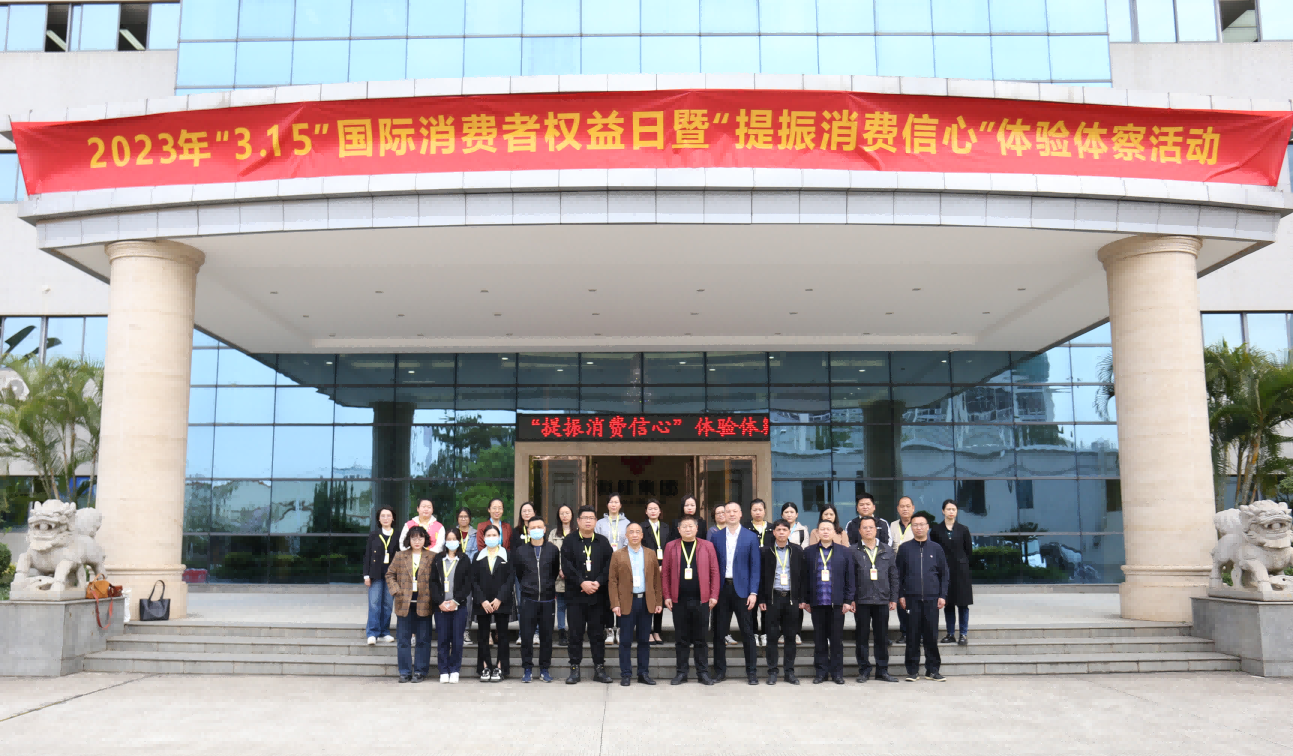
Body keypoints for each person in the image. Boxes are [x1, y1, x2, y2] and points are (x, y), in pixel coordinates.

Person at [709, 501, 762, 685]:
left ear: (740, 514)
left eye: (734, 511)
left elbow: (755, 567)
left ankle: (752, 672)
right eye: (727, 511)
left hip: (743, 591)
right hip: (722, 590)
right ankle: (719, 671)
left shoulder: (751, 537)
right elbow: (712, 567)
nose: (731, 514)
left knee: (747, 633)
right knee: (718, 633)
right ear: (723, 515)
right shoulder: (716, 537)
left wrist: (753, 592)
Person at [560, 505, 614, 684]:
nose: (588, 521)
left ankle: (599, 668)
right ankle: (574, 668)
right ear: (578, 521)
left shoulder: (603, 542)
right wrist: (581, 582)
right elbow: (566, 565)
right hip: (575, 596)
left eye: (591, 518)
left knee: (597, 635)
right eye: (585, 518)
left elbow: (609, 565)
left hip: (597, 597)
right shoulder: (569, 541)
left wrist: (598, 582)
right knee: (575, 634)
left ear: (596, 521)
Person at [800, 519, 856, 685]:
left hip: (836, 604)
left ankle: (837, 673)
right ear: (817, 532)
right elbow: (804, 578)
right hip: (817, 603)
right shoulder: (809, 552)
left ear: (834, 532)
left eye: (828, 529)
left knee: (836, 640)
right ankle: (821, 673)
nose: (825, 532)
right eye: (822, 529)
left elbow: (850, 578)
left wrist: (848, 600)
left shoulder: (844, 552)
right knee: (819, 640)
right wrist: (805, 600)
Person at [896, 513, 949, 682]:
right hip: (911, 599)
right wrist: (900, 595)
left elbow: (944, 574)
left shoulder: (936, 548)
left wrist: (942, 595)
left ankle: (932, 670)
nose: (918, 528)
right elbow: (898, 575)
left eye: (921, 524)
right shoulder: (904, 549)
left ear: (928, 527)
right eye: (915, 525)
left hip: (932, 598)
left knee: (931, 635)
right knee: (912, 635)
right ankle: (912, 671)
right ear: (911, 527)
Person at [609, 523, 663, 686]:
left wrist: (658, 601)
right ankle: (626, 674)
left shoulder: (650, 553)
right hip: (627, 602)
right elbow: (612, 581)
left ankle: (643, 673)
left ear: (642, 535)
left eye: (637, 532)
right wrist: (615, 603)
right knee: (625, 641)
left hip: (646, 601)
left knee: (644, 641)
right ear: (626, 535)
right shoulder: (618, 555)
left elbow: (656, 580)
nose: (634, 535)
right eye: (631, 532)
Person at [852, 515, 899, 683]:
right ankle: (864, 670)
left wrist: (894, 597)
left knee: (882, 637)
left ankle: (882, 670)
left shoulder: (887, 550)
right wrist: (850, 599)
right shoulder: (852, 551)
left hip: (882, 600)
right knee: (862, 637)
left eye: (871, 527)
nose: (868, 530)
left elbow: (894, 576)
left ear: (876, 530)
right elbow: (850, 578)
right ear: (859, 530)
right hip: (861, 601)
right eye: (864, 527)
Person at [757, 519, 805, 685]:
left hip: (792, 599)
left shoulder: (797, 551)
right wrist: (761, 598)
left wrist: (802, 599)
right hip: (772, 599)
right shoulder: (765, 551)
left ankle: (789, 672)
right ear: (774, 532)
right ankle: (772, 671)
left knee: (790, 637)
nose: (782, 532)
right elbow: (760, 577)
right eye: (778, 530)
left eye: (785, 530)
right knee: (771, 637)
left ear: (789, 532)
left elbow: (803, 577)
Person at [513, 515, 560, 683]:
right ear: (528, 530)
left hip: (547, 599)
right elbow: (519, 573)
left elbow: (554, 572)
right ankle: (527, 669)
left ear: (545, 529)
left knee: (547, 637)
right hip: (528, 600)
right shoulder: (521, 551)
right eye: (532, 528)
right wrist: (528, 587)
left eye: (539, 527)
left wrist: (547, 587)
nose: (536, 530)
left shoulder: (553, 550)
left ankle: (544, 669)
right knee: (526, 637)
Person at [385, 525, 434, 683]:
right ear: (409, 540)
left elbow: (437, 578)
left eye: (420, 538)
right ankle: (405, 672)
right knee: (403, 640)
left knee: (423, 640)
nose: (417, 541)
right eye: (414, 538)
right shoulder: (400, 556)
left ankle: (420, 671)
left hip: (424, 602)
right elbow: (390, 574)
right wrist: (396, 590)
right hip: (404, 602)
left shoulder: (432, 556)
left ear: (425, 539)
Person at [471, 524, 514, 682]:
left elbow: (510, 579)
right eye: (488, 535)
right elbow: (473, 581)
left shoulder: (507, 555)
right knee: (483, 636)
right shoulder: (477, 556)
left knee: (502, 635)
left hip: (501, 601)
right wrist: (482, 600)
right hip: (483, 602)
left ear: (499, 537)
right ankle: (485, 667)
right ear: (483, 538)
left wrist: (499, 598)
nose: (491, 538)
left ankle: (500, 667)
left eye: (494, 535)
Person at [929, 499, 974, 646]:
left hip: (961, 572)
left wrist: (962, 563)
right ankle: (950, 634)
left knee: (963, 604)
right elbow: (934, 551)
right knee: (948, 604)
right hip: (944, 572)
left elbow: (969, 551)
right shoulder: (936, 530)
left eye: (953, 509)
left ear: (957, 512)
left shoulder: (963, 529)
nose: (951, 512)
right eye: (948, 509)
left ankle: (963, 634)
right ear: (943, 511)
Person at [431, 528, 470, 683]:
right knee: (442, 639)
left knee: (457, 639)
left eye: (454, 539)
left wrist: (456, 601)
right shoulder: (438, 559)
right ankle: (443, 670)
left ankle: (454, 669)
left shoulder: (464, 559)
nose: (452, 542)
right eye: (449, 539)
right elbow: (433, 582)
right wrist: (439, 602)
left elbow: (467, 584)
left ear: (459, 541)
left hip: (458, 606)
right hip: (441, 607)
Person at [595, 494, 631, 645]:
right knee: (608, 597)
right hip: (604, 563)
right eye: (611, 502)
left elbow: (629, 542)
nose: (614, 504)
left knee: (622, 597)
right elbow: (596, 542)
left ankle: (621, 629)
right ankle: (609, 630)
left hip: (622, 564)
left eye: (616, 502)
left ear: (620, 505)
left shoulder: (627, 523)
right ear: (607, 504)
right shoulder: (600, 523)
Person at [362, 506, 399, 645]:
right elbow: (367, 555)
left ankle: (384, 632)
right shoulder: (374, 535)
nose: (385, 518)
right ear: (378, 518)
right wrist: (366, 575)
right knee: (374, 604)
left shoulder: (398, 535)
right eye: (382, 516)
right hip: (375, 575)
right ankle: (372, 633)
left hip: (391, 576)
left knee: (387, 605)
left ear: (393, 518)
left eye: (388, 515)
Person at [639, 498, 672, 644]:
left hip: (664, 569)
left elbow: (670, 548)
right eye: (650, 509)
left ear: (660, 511)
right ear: (646, 512)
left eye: (655, 508)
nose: (653, 511)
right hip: (647, 568)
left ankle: (657, 631)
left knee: (659, 600)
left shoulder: (666, 527)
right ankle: (647, 632)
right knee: (647, 601)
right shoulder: (641, 527)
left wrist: (664, 565)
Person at [781, 501, 810, 646]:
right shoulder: (778, 528)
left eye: (792, 512)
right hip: (781, 569)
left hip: (797, 569)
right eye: (786, 512)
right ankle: (782, 633)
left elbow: (804, 550)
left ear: (797, 514)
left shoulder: (803, 530)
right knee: (782, 604)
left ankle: (797, 633)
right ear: (782, 515)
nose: (789, 514)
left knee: (797, 604)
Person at [890, 496, 917, 643]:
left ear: (913, 508)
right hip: (896, 569)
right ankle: (905, 632)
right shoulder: (892, 525)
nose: (905, 509)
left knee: (915, 602)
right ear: (897, 509)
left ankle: (917, 633)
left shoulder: (918, 523)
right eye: (902, 506)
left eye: (908, 506)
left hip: (914, 570)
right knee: (901, 601)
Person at [746, 499, 773, 648]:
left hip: (768, 571)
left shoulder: (772, 528)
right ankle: (754, 633)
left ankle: (766, 633)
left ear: (765, 511)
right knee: (751, 605)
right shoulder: (745, 528)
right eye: (754, 510)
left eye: (760, 509)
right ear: (750, 511)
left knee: (767, 604)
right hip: (750, 571)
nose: (757, 512)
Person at [550, 504, 575, 647]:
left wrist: (569, 570)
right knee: (560, 605)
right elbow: (551, 553)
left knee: (573, 606)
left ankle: (573, 631)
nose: (564, 516)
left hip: (574, 576)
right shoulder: (554, 533)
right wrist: (560, 568)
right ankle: (561, 632)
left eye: (567, 513)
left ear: (572, 515)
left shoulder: (577, 532)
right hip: (559, 576)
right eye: (562, 513)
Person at [452, 507, 477, 647]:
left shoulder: (475, 534)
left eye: (466, 516)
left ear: (470, 518)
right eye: (461, 516)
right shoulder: (452, 533)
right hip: (453, 573)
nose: (463, 519)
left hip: (469, 573)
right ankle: (454, 632)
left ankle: (465, 631)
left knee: (467, 604)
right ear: (457, 518)